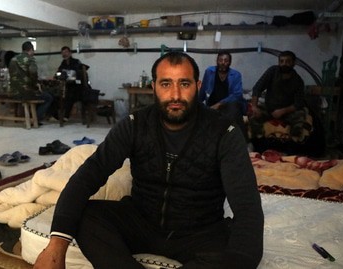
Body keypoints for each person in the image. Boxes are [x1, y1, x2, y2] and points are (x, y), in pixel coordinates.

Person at [33, 52, 264, 269]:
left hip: (201, 231)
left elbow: (247, 207)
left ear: (198, 86)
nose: (175, 95)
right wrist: (56, 245)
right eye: (166, 84)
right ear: (153, 87)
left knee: (243, 251)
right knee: (84, 216)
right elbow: (88, 176)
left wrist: (240, 256)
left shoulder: (225, 132)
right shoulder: (135, 124)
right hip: (141, 221)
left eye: (184, 84)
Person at [249, 50, 308, 138]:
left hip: (287, 111)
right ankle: (260, 140)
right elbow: (257, 88)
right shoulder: (272, 71)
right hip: (269, 108)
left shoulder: (298, 80)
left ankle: (293, 143)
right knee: (252, 116)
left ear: (293, 63)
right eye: (281, 61)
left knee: (300, 118)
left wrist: (282, 111)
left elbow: (298, 103)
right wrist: (254, 106)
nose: (284, 64)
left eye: (288, 61)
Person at [199, 51, 248, 140]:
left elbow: (237, 95)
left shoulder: (236, 75)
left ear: (229, 62)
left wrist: (219, 104)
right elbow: (203, 90)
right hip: (211, 107)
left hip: (228, 107)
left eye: (226, 60)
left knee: (234, 108)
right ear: (217, 61)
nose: (223, 63)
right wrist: (196, 104)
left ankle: (241, 142)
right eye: (220, 60)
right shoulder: (210, 72)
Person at [8, 41, 53, 123]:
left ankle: (32, 116)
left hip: (13, 92)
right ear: (31, 49)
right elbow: (33, 75)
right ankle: (35, 119)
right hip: (26, 93)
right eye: (33, 50)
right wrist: (37, 85)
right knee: (48, 97)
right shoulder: (30, 59)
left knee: (40, 95)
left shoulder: (13, 59)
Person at [55, 46, 86, 120]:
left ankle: (66, 116)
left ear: (70, 53)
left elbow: (77, 75)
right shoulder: (63, 63)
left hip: (78, 87)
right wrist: (56, 76)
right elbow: (58, 73)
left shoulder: (76, 62)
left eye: (66, 52)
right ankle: (57, 116)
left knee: (70, 95)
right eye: (62, 53)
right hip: (67, 87)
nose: (64, 54)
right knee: (56, 95)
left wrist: (67, 75)